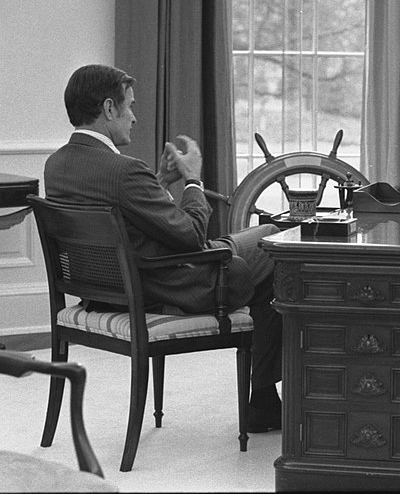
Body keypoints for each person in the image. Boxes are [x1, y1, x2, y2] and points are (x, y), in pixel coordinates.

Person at [45, 64, 282, 433]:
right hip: (165, 285)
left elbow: (127, 222)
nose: (135, 118)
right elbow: (192, 238)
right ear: (109, 109)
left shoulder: (57, 165)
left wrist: (157, 183)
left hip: (110, 288)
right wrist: (193, 180)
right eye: (130, 106)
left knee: (266, 234)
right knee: (275, 246)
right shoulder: (123, 170)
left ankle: (265, 400)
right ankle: (265, 399)